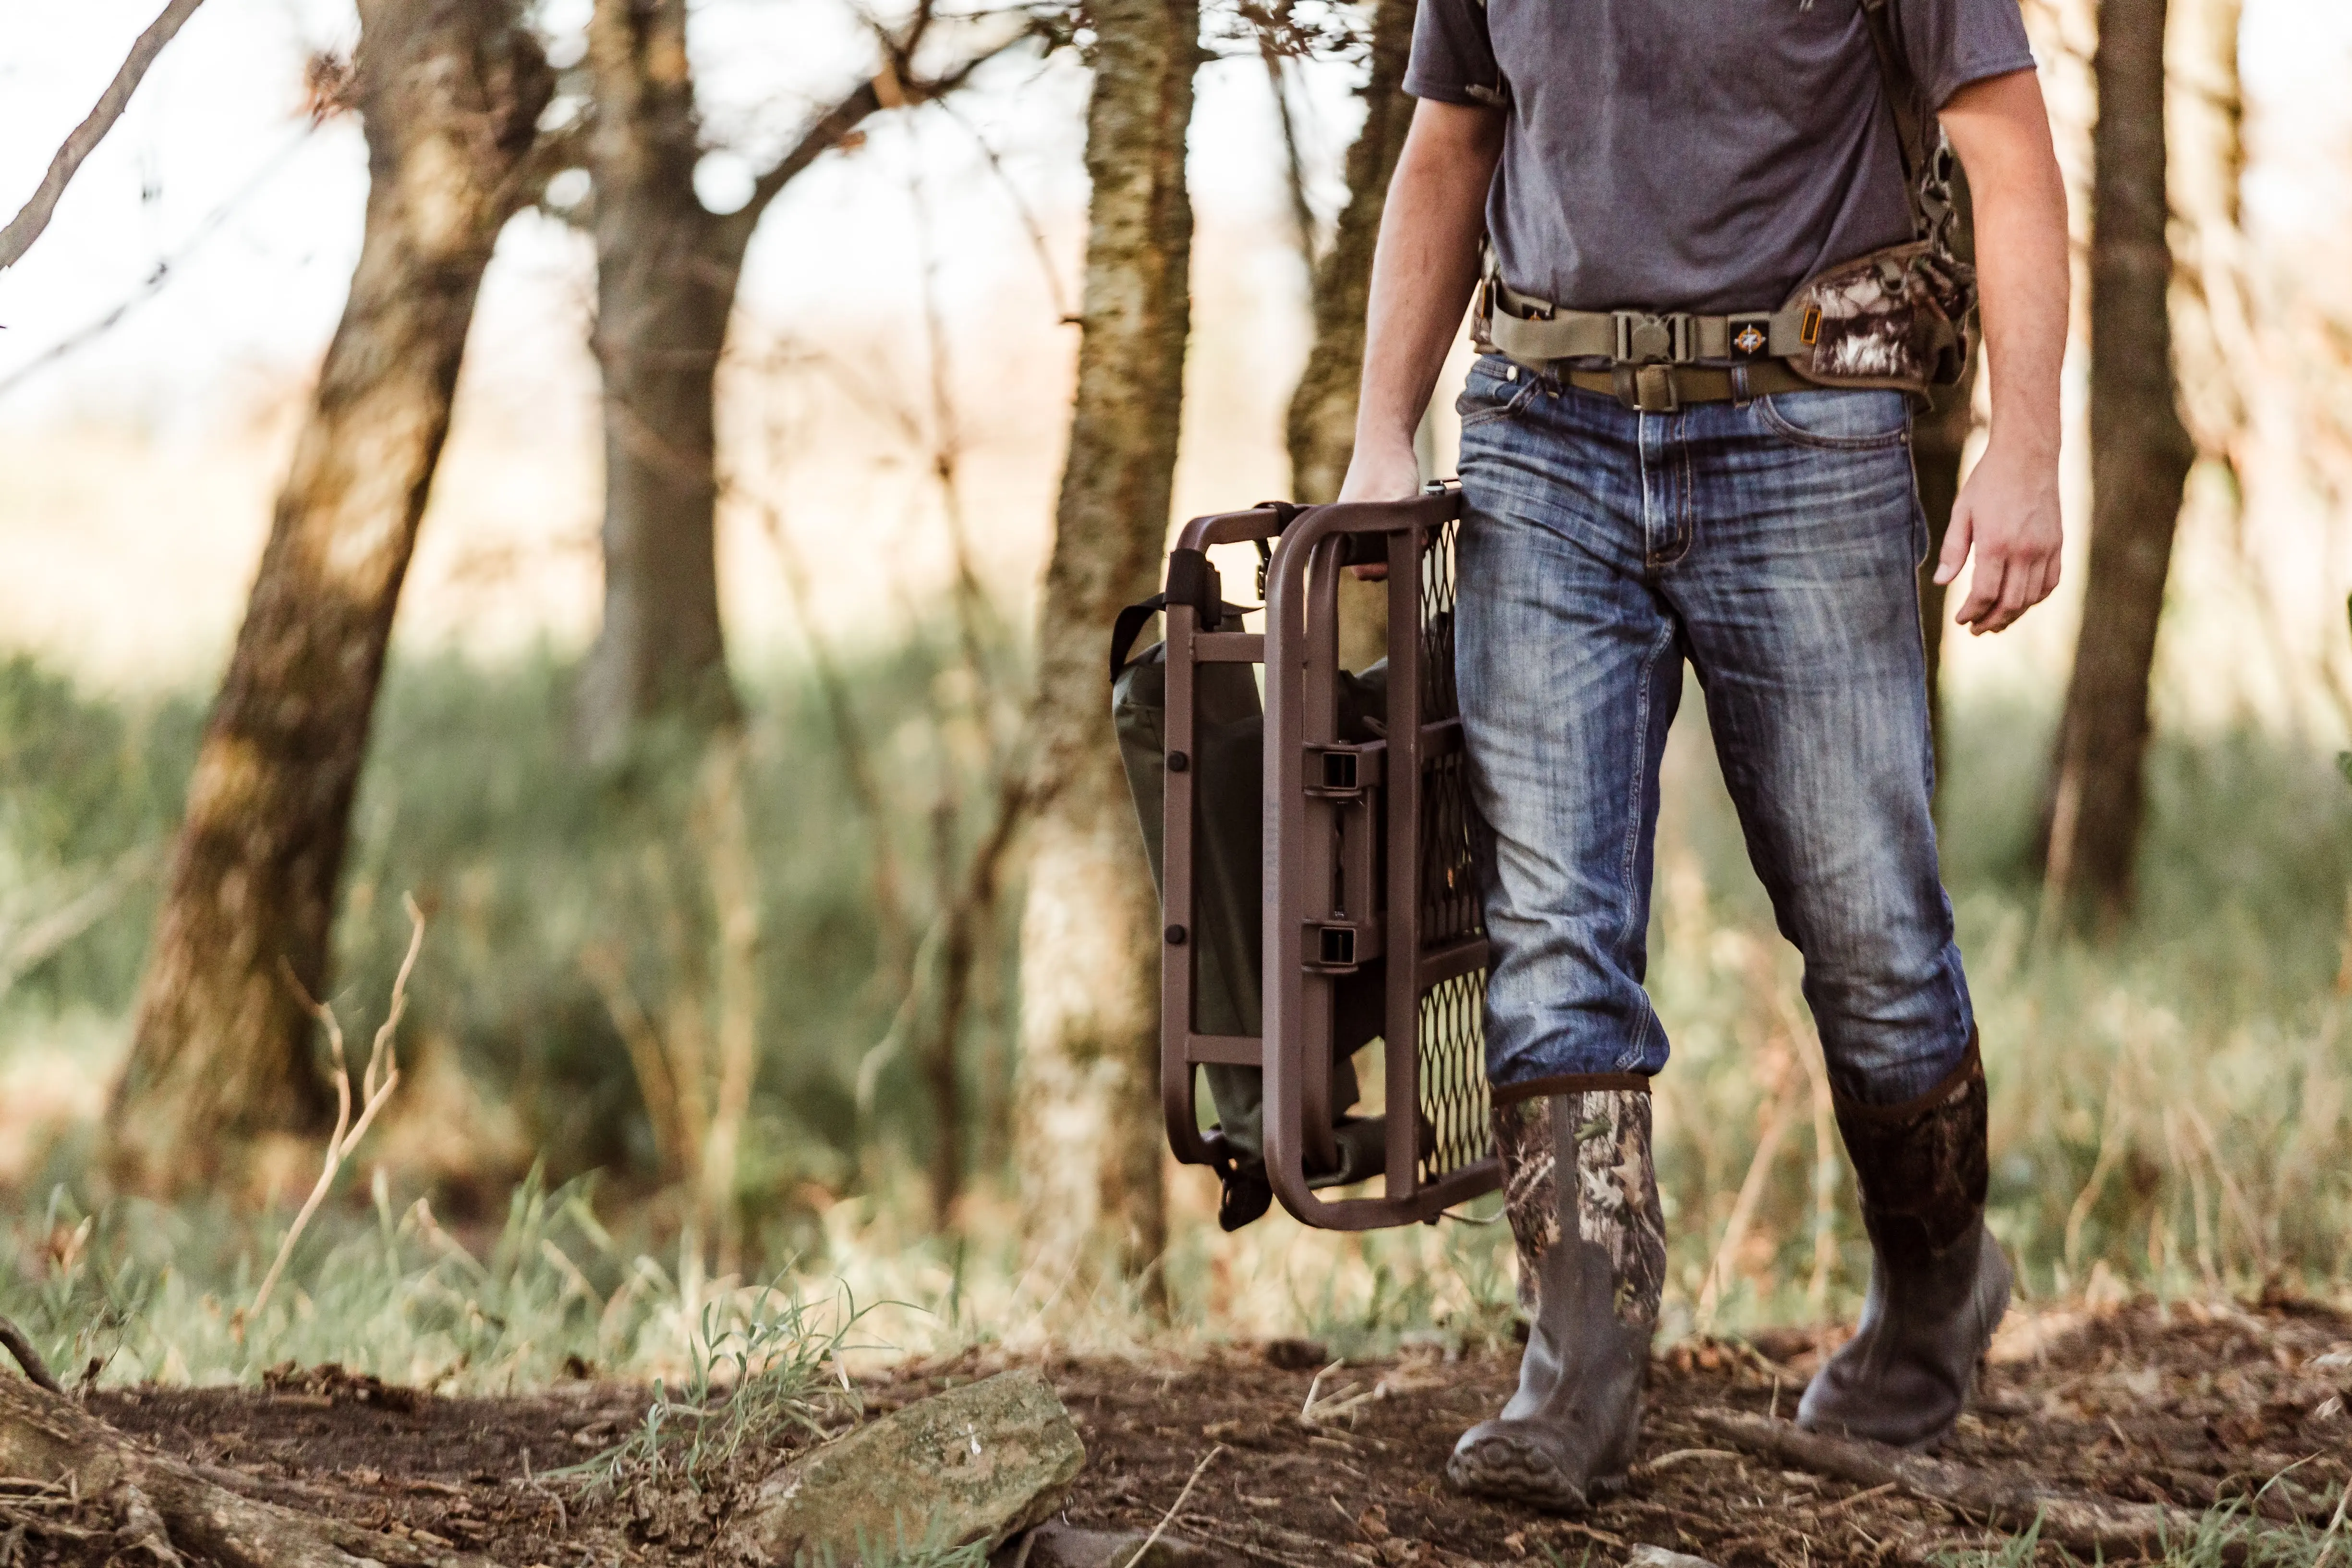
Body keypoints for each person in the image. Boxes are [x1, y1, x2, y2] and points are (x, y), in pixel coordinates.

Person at [1336, 0, 2069, 1511]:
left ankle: (1936, 1293)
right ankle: (1578, 1378)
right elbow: (1451, 141)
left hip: (1803, 435)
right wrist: (1380, 437)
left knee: (1872, 928)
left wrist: (2028, 447)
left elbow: (2006, 147)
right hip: (1543, 434)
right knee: (1551, 924)